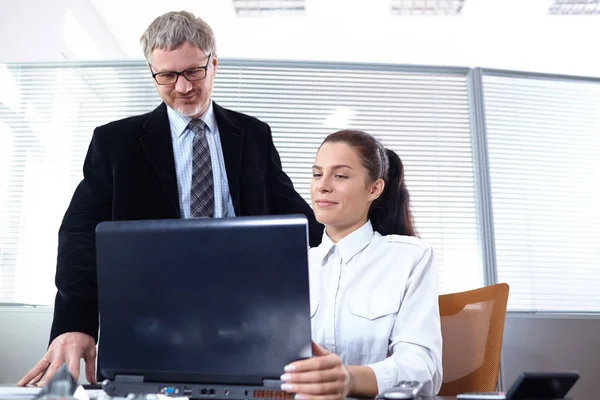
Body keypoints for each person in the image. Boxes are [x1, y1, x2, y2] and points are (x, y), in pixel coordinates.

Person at [18, 10, 323, 387]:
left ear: (214, 64)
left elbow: (298, 226)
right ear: (152, 72)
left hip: (245, 325)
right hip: (148, 327)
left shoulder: (254, 135)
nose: (182, 87)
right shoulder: (116, 144)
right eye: (166, 76)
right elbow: (80, 236)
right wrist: (75, 324)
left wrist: (341, 205)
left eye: (193, 71)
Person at [279, 130, 443, 399]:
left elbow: (424, 370)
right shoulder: (291, 265)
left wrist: (349, 379)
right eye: (317, 174)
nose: (323, 186)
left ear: (374, 188)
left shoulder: (410, 258)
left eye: (340, 175)